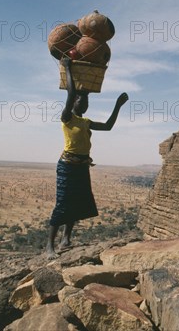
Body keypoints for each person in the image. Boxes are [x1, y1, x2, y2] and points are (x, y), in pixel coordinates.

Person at [45, 57, 129, 260]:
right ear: (74, 102)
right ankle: (49, 247)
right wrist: (67, 69)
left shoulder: (85, 121)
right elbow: (71, 92)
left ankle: (66, 239)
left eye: (87, 101)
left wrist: (118, 105)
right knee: (63, 204)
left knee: (76, 203)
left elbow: (108, 126)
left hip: (82, 167)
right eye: (82, 100)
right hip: (67, 166)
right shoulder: (67, 117)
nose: (85, 103)